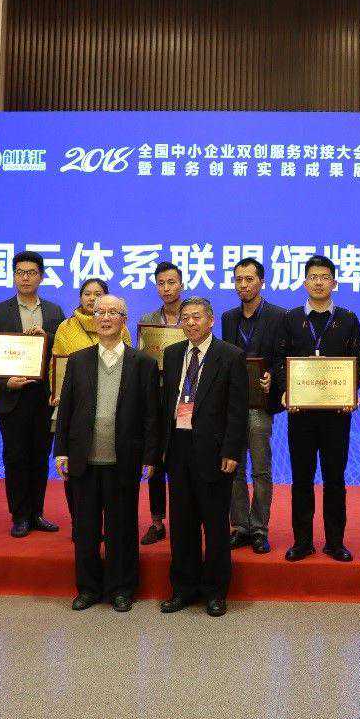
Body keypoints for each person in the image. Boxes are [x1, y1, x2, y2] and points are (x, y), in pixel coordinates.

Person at [54, 295, 160, 612]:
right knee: (85, 529)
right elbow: (66, 408)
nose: (105, 317)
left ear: (124, 320)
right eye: (99, 312)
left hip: (124, 459)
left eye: (112, 312)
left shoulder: (142, 363)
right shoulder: (78, 360)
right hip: (84, 458)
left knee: (122, 528)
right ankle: (88, 588)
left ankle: (121, 588)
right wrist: (61, 450)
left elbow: (151, 415)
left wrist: (150, 456)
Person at [158, 297, 247, 617]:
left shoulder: (230, 355)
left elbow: (238, 410)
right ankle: (183, 588)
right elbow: (164, 404)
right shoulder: (172, 354)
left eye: (197, 317)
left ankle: (215, 591)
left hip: (214, 451)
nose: (191, 323)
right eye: (186, 317)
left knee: (215, 524)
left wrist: (232, 451)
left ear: (211, 320)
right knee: (181, 524)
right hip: (178, 447)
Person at [274, 254, 360, 562]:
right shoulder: (290, 319)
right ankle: (302, 541)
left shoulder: (348, 319)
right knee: (301, 479)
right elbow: (279, 359)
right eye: (313, 277)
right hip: (301, 414)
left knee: (334, 478)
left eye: (325, 277)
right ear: (304, 282)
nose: (319, 282)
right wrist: (286, 391)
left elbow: (357, 361)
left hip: (336, 414)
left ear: (334, 283)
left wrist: (351, 392)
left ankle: (335, 542)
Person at [0, 250, 65, 538]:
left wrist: (48, 338)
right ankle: (19, 515)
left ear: (41, 277)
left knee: (40, 456)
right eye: (20, 272)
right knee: (15, 456)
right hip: (12, 395)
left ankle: (37, 513)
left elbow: (61, 352)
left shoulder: (54, 312)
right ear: (14, 276)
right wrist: (7, 380)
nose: (25, 278)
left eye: (31, 273)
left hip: (43, 395)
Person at [220, 257, 285, 555]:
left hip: (260, 404)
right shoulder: (228, 318)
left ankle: (259, 528)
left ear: (261, 281)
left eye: (249, 279)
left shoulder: (278, 316)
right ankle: (240, 526)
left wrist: (274, 379)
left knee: (261, 469)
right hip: (232, 405)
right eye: (238, 279)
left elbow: (284, 361)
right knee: (233, 467)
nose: (243, 285)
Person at [138, 261, 185, 545]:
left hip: (185, 400)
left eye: (171, 282)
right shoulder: (148, 319)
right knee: (154, 462)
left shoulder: (192, 316)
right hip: (154, 399)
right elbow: (142, 361)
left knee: (181, 462)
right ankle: (157, 522)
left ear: (181, 284)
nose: (166, 288)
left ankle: (183, 520)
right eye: (161, 283)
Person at [52, 277, 131, 363]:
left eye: (97, 294)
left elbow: (128, 361)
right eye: (87, 294)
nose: (92, 298)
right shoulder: (66, 327)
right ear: (80, 298)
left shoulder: (119, 327)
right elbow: (57, 364)